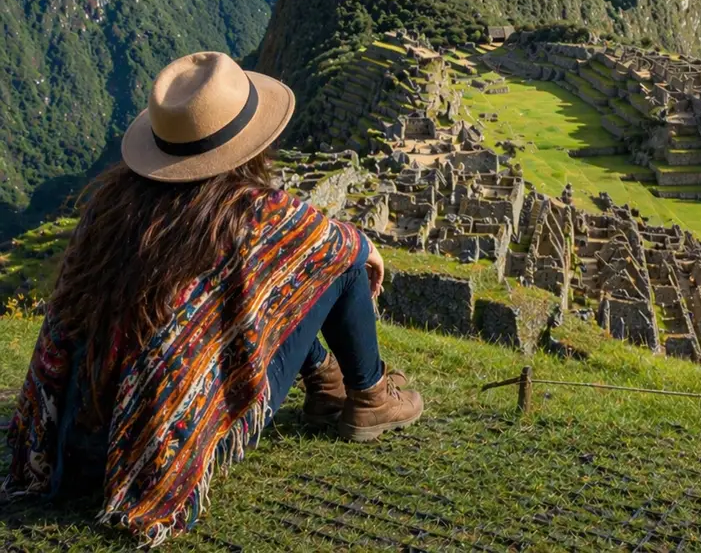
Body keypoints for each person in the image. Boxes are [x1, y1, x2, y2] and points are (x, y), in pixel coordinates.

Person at [2, 51, 422, 546]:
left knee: (278, 272)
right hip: (160, 451)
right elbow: (343, 248)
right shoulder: (256, 214)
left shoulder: (108, 208)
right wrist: (367, 249)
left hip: (69, 442)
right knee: (333, 261)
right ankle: (369, 393)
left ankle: (325, 382)